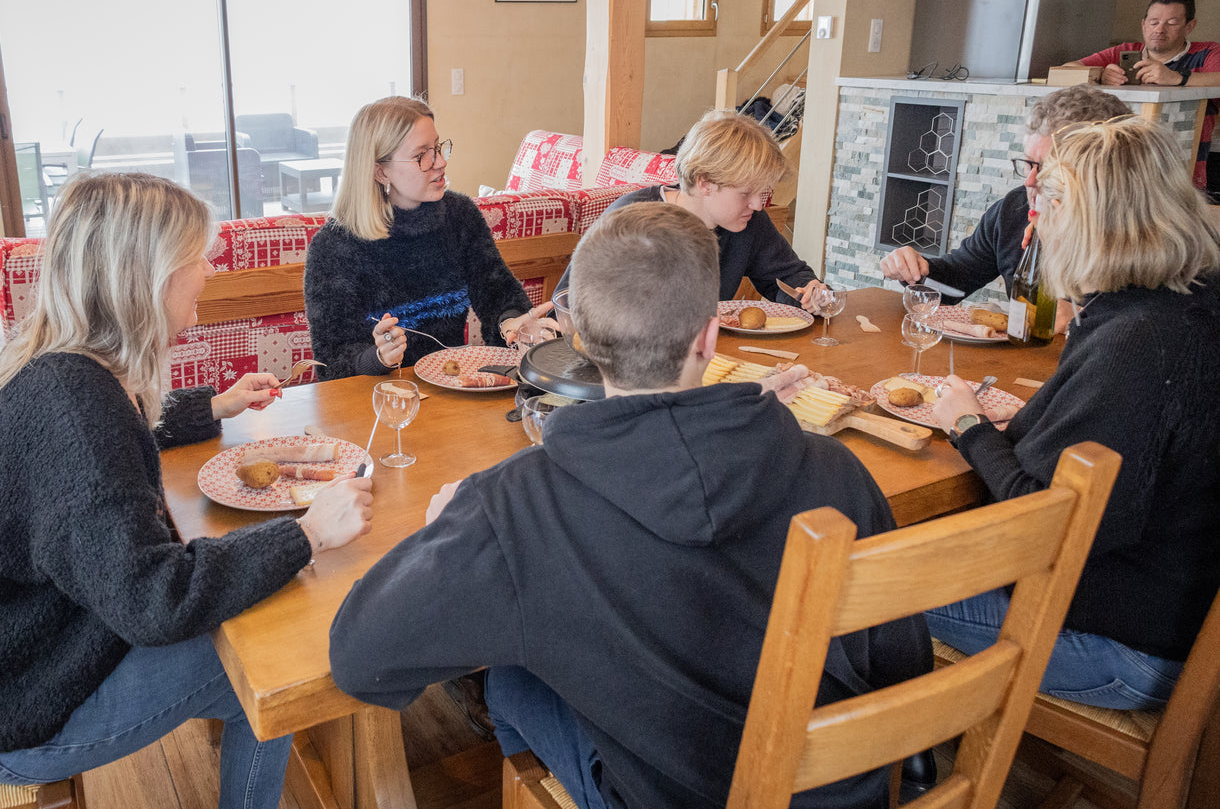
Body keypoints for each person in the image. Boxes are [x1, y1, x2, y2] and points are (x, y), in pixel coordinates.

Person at [329, 202, 930, 809]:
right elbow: (903, 666)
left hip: (662, 793)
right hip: (841, 792)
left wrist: (437, 536)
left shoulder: (515, 502)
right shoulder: (837, 471)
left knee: (510, 678)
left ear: (582, 343)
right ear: (709, 336)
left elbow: (359, 660)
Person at [0, 171, 373, 805]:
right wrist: (306, 533)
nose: (208, 270)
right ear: (144, 277)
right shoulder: (79, 412)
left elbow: (110, 453)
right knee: (266, 663)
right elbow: (156, 601)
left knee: (252, 621)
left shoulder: (63, 372)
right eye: (194, 258)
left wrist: (214, 407)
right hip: (1, 717)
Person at [930, 116, 1220, 710]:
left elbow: (1042, 521)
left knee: (844, 588)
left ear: (1088, 220)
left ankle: (888, 760)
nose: (1035, 217)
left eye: (1051, 201)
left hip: (1125, 646)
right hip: (1176, 608)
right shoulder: (1189, 302)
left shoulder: (1136, 342)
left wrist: (969, 425)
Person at [305, 95, 553, 377]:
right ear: (379, 171)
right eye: (421, 155)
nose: (440, 162)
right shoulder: (334, 247)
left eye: (438, 147)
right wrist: (379, 358)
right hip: (379, 403)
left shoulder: (460, 216)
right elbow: (331, 362)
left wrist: (512, 325)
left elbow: (499, 296)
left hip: (453, 390)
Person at [554, 111, 829, 312]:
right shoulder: (630, 222)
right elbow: (569, 304)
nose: (758, 205)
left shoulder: (749, 223)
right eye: (746, 193)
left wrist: (810, 293)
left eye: (762, 193)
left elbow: (790, 277)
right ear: (704, 182)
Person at [879, 84, 1131, 303]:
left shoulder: (1137, 238)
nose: (1031, 181)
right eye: (1029, 164)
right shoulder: (1014, 210)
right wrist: (915, 269)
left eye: (1049, 169)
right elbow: (956, 281)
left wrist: (1075, 317)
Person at [1060, 0, 1220, 194]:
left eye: (1171, 23)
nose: (1160, 30)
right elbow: (1067, 69)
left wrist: (1178, 78)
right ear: (1143, 24)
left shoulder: (1207, 52)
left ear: (1190, 26)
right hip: (1117, 167)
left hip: (1182, 166)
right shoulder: (1124, 51)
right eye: (1153, 22)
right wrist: (1101, 74)